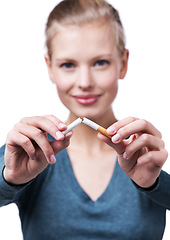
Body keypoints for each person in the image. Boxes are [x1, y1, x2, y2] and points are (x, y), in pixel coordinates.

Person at [0, 0, 169, 239]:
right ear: (49, 67)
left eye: (100, 62)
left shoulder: (147, 155)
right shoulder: (29, 152)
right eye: (68, 64)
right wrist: (10, 178)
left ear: (123, 63)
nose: (85, 82)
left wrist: (155, 185)